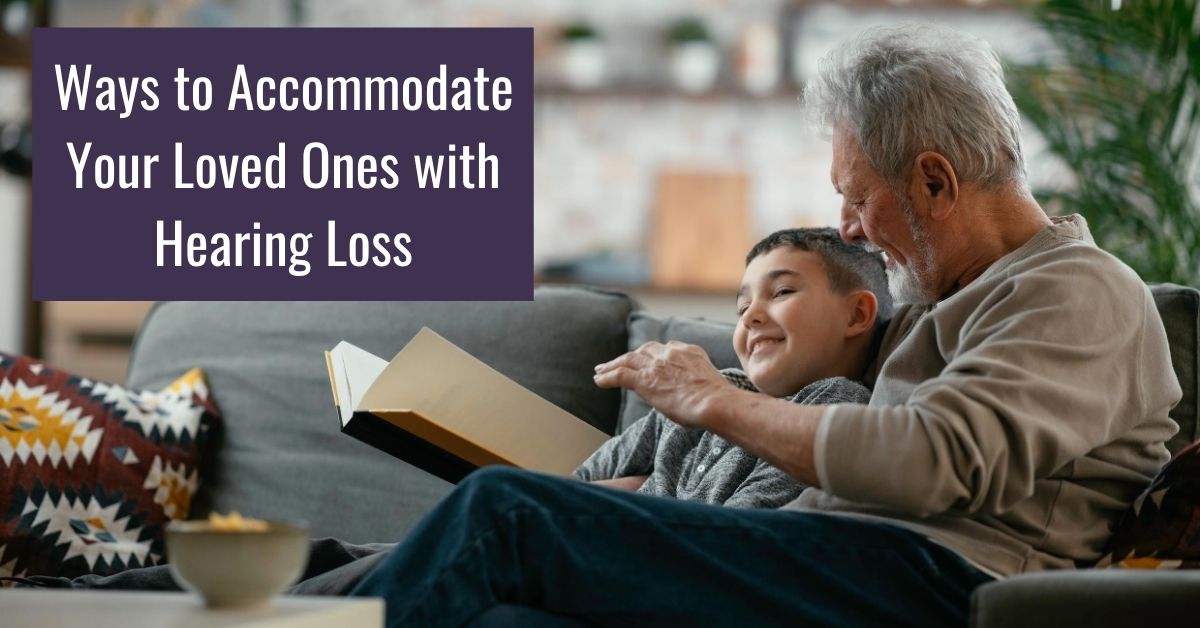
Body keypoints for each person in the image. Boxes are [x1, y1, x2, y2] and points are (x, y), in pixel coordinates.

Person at [348, 23, 1181, 627]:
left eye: (857, 198)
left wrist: (714, 401)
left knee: (507, 512)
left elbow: (938, 458)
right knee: (375, 566)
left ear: (934, 181)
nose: (850, 227)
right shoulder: (942, 301)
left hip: (932, 579)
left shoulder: (1079, 290)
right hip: (830, 555)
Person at [576, 227, 890, 509]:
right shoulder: (696, 389)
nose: (750, 315)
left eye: (782, 292)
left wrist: (636, 490)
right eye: (742, 307)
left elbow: (735, 533)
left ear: (856, 315)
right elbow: (574, 485)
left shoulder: (835, 405)